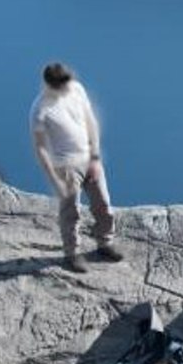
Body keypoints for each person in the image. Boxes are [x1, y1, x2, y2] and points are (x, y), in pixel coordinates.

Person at [30, 61, 123, 272]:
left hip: (89, 159)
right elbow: (40, 148)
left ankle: (105, 243)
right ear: (50, 85)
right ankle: (71, 254)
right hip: (66, 167)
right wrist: (54, 179)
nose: (67, 88)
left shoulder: (76, 89)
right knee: (71, 213)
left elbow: (90, 121)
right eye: (63, 85)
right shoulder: (40, 109)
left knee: (103, 204)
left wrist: (95, 157)